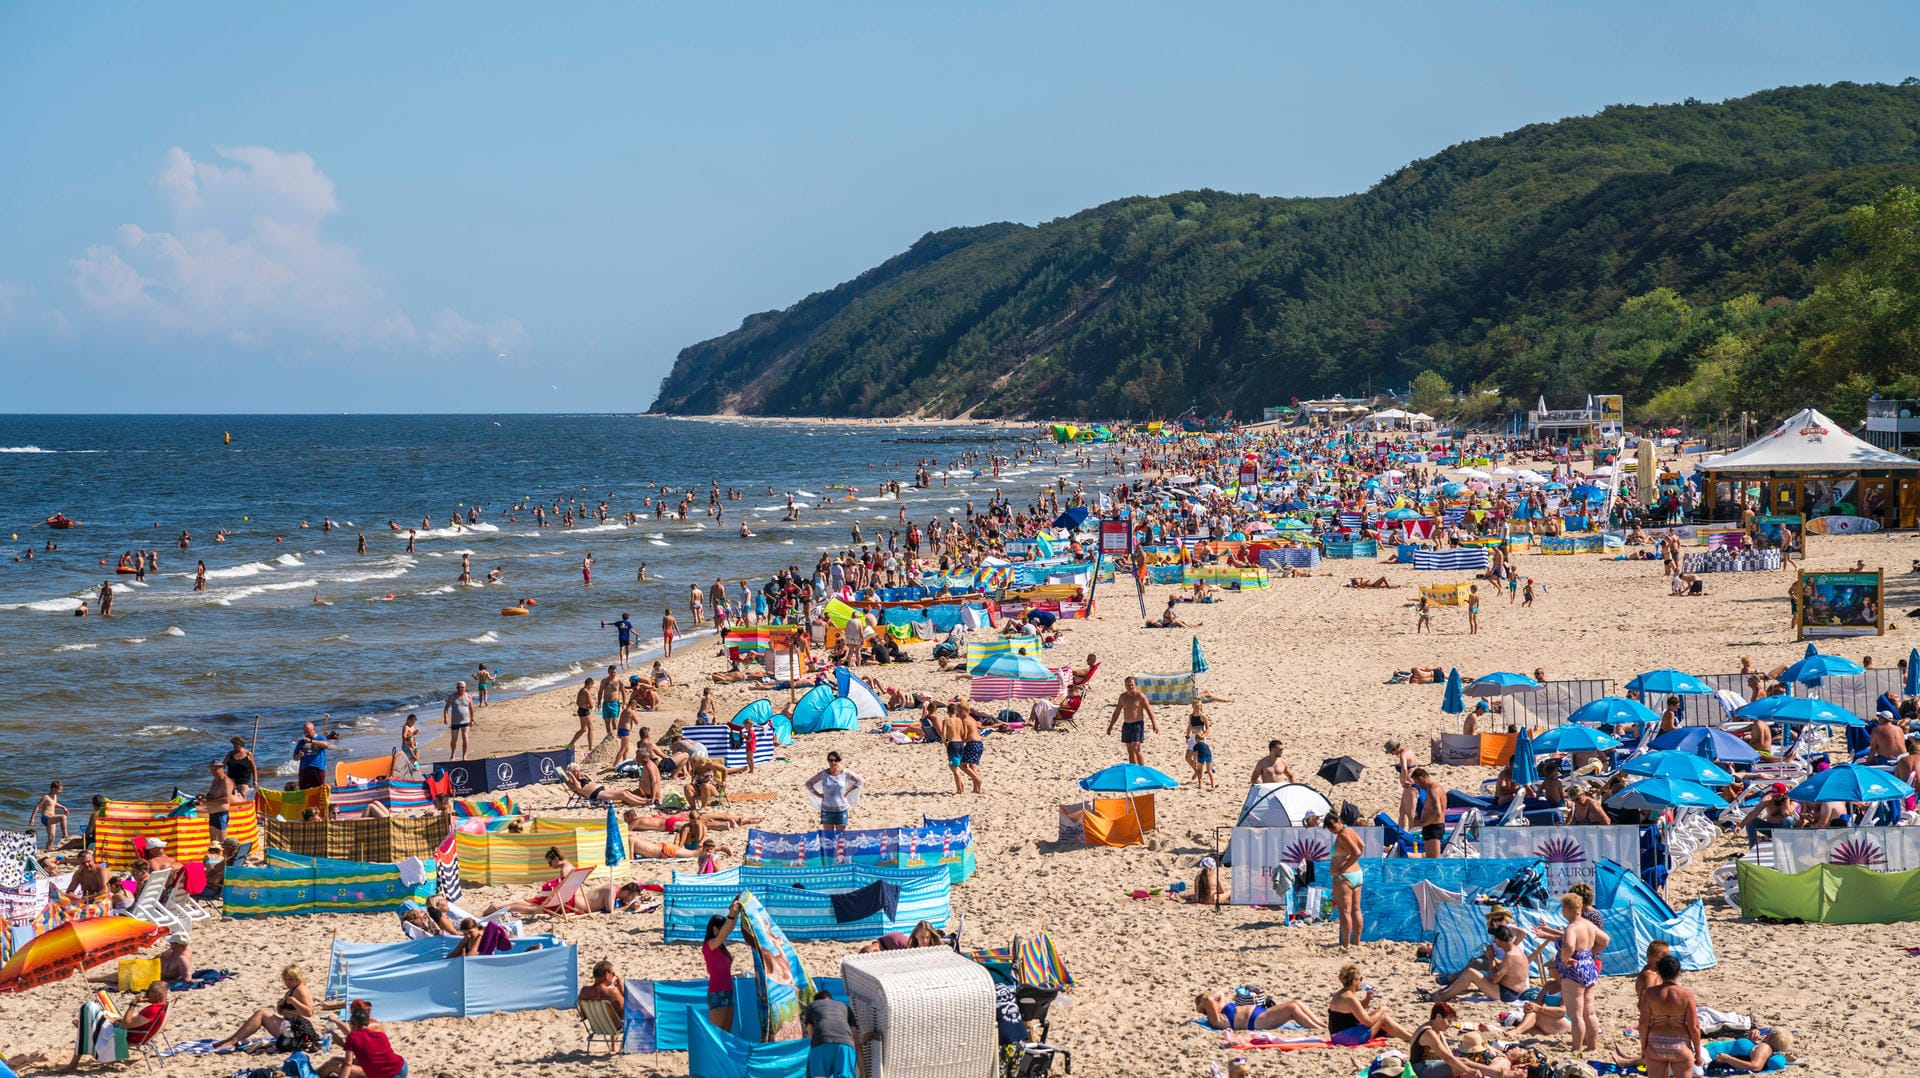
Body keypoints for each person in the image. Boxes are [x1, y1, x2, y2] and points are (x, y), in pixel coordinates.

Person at [66, 981, 168, 1071]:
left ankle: (84, 1031)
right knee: (104, 1015)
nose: (145, 994)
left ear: (157, 995)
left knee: (88, 1009)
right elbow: (132, 1022)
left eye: (148, 992)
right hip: (137, 1032)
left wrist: (133, 1004)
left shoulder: (153, 1010)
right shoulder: (163, 1006)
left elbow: (125, 1024)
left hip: (128, 1035)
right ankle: (86, 1026)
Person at [211, 964, 316, 1050]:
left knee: (261, 1013)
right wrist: (280, 1006)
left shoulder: (300, 989)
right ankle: (231, 1039)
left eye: (290, 980)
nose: (287, 982)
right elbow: (283, 1013)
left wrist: (294, 1002)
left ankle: (232, 1041)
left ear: (297, 979)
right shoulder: (291, 990)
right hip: (289, 1026)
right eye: (285, 979)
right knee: (262, 1013)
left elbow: (309, 1013)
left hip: (299, 1031)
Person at [1557, 892, 1608, 1056]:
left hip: (1574, 970)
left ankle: (1576, 1047)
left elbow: (1569, 946)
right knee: (1589, 1011)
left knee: (1576, 1014)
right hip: (1589, 966)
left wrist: (1565, 959)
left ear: (1568, 909)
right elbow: (1605, 940)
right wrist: (1591, 954)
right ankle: (1593, 1046)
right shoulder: (1588, 924)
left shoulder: (1572, 927)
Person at [1637, 953, 1699, 1078]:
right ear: (1678, 973)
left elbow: (1643, 1024)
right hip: (1680, 1046)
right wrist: (1698, 1052)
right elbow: (1694, 1026)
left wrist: (1644, 1048)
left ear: (1659, 972)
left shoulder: (1649, 994)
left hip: (1655, 1046)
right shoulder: (1686, 995)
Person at [317, 999, 406, 1078]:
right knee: (334, 1059)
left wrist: (336, 1021)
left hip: (380, 1071)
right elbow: (347, 1041)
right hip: (399, 1066)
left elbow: (348, 1040)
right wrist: (332, 1033)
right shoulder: (372, 1028)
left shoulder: (370, 1027)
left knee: (332, 1065)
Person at [1328, 964, 1412, 1044]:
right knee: (1383, 1017)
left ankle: (1408, 1033)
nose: (1361, 982)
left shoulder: (1341, 994)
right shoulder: (1350, 998)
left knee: (1375, 1014)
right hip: (1345, 1038)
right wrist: (1382, 1010)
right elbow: (1368, 1022)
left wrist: (1368, 998)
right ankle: (1411, 1038)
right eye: (1360, 979)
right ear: (1354, 981)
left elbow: (1356, 1011)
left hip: (1338, 1036)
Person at [1194, 989, 1322, 1032]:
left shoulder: (1221, 1010)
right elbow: (1210, 999)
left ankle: (1324, 1026)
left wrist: (1209, 999)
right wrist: (1203, 1002)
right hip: (1257, 1021)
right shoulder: (1215, 1019)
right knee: (1292, 1009)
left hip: (1260, 1014)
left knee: (1296, 1002)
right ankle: (1318, 1030)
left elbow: (1220, 994)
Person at [704, 900, 745, 1032]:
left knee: (727, 1032)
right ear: (715, 929)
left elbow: (729, 927)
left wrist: (736, 910)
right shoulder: (710, 945)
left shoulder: (720, 946)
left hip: (727, 990)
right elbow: (724, 933)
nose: (726, 933)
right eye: (722, 930)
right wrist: (731, 915)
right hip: (717, 993)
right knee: (717, 1034)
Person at [1324, 813, 1365, 947]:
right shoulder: (1350, 830)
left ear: (1339, 821)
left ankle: (1346, 944)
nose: (1331, 829)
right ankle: (1356, 942)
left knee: (1345, 911)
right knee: (1356, 910)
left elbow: (1357, 852)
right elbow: (1362, 845)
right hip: (1357, 874)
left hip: (1345, 877)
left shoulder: (1343, 835)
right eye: (1329, 827)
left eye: (1332, 826)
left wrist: (1342, 868)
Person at [803, 986, 860, 1078]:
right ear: (831, 999)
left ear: (816, 1001)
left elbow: (811, 1035)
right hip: (845, 1044)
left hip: (821, 1041)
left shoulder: (812, 1006)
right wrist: (863, 1072)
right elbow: (856, 1042)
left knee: (819, 1076)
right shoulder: (845, 1007)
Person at [806, 752, 864, 831]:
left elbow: (860, 781)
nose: (833, 763)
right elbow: (808, 784)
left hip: (841, 809)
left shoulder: (845, 773)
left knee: (840, 836)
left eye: (836, 760)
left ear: (839, 761)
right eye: (831, 760)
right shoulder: (823, 774)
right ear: (828, 761)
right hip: (827, 810)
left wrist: (848, 790)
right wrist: (818, 795)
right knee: (829, 837)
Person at [1107, 676, 1157, 766]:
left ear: (1135, 685)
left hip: (1137, 724)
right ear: (1125, 686)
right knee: (1130, 749)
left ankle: (1142, 769)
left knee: (1136, 747)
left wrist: (1154, 724)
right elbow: (1117, 712)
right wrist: (1110, 726)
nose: (1130, 687)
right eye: (1128, 685)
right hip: (1127, 725)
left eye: (1132, 685)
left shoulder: (1140, 696)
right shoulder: (1123, 697)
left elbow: (1149, 711)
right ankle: (1134, 770)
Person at [1704, 1030, 1792, 1072]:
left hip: (1706, 1056)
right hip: (1706, 1054)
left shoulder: (1764, 1048)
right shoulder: (1764, 1047)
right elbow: (1747, 1054)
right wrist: (1752, 1041)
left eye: (1768, 1034)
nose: (1766, 1035)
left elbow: (1756, 1066)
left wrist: (1728, 1059)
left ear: (1771, 1037)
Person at [1412, 768, 1446, 856]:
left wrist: (1423, 823)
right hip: (1431, 827)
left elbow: (1437, 812)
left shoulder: (1433, 789)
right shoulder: (1432, 788)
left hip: (1433, 827)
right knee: (1429, 859)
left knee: (1433, 860)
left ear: (1421, 778)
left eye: (1417, 783)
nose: (1418, 786)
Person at [1388, 739, 1419, 828]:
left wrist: (1404, 780)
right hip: (1412, 783)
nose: (1392, 754)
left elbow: (1405, 769)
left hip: (1409, 785)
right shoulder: (1408, 751)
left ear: (1394, 748)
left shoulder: (1403, 755)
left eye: (1391, 752)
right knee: (1402, 810)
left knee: (1410, 813)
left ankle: (1410, 834)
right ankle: (1400, 832)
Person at [31, 779, 70, 846]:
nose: (61, 791)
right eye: (59, 789)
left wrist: (63, 807)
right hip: (46, 818)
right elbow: (38, 807)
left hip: (52, 818)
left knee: (51, 838)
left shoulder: (55, 796)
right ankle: (65, 835)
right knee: (63, 817)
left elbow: (54, 804)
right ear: (53, 788)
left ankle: (47, 850)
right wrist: (32, 818)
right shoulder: (46, 797)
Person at [442, 681, 474, 761]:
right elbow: (446, 708)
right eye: (458, 687)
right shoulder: (452, 696)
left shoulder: (469, 696)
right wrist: (446, 717)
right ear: (456, 688)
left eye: (462, 687)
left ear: (465, 688)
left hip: (465, 721)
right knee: (454, 739)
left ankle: (464, 756)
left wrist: (472, 719)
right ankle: (452, 754)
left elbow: (471, 708)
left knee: (465, 738)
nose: (460, 689)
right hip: (455, 722)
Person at [294, 722, 332, 790]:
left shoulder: (321, 738)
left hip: (317, 767)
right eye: (305, 732)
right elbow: (294, 757)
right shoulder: (301, 742)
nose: (306, 734)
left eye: (308, 732)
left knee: (319, 790)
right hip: (305, 769)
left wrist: (311, 741)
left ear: (314, 729)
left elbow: (326, 745)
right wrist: (299, 755)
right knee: (304, 791)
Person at [570, 676, 596, 754]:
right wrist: (589, 706)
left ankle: (571, 744)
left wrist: (583, 705)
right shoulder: (587, 692)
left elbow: (577, 702)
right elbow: (591, 705)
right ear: (590, 684)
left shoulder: (581, 690)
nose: (591, 687)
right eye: (591, 686)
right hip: (585, 711)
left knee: (583, 729)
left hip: (580, 710)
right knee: (591, 728)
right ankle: (591, 747)